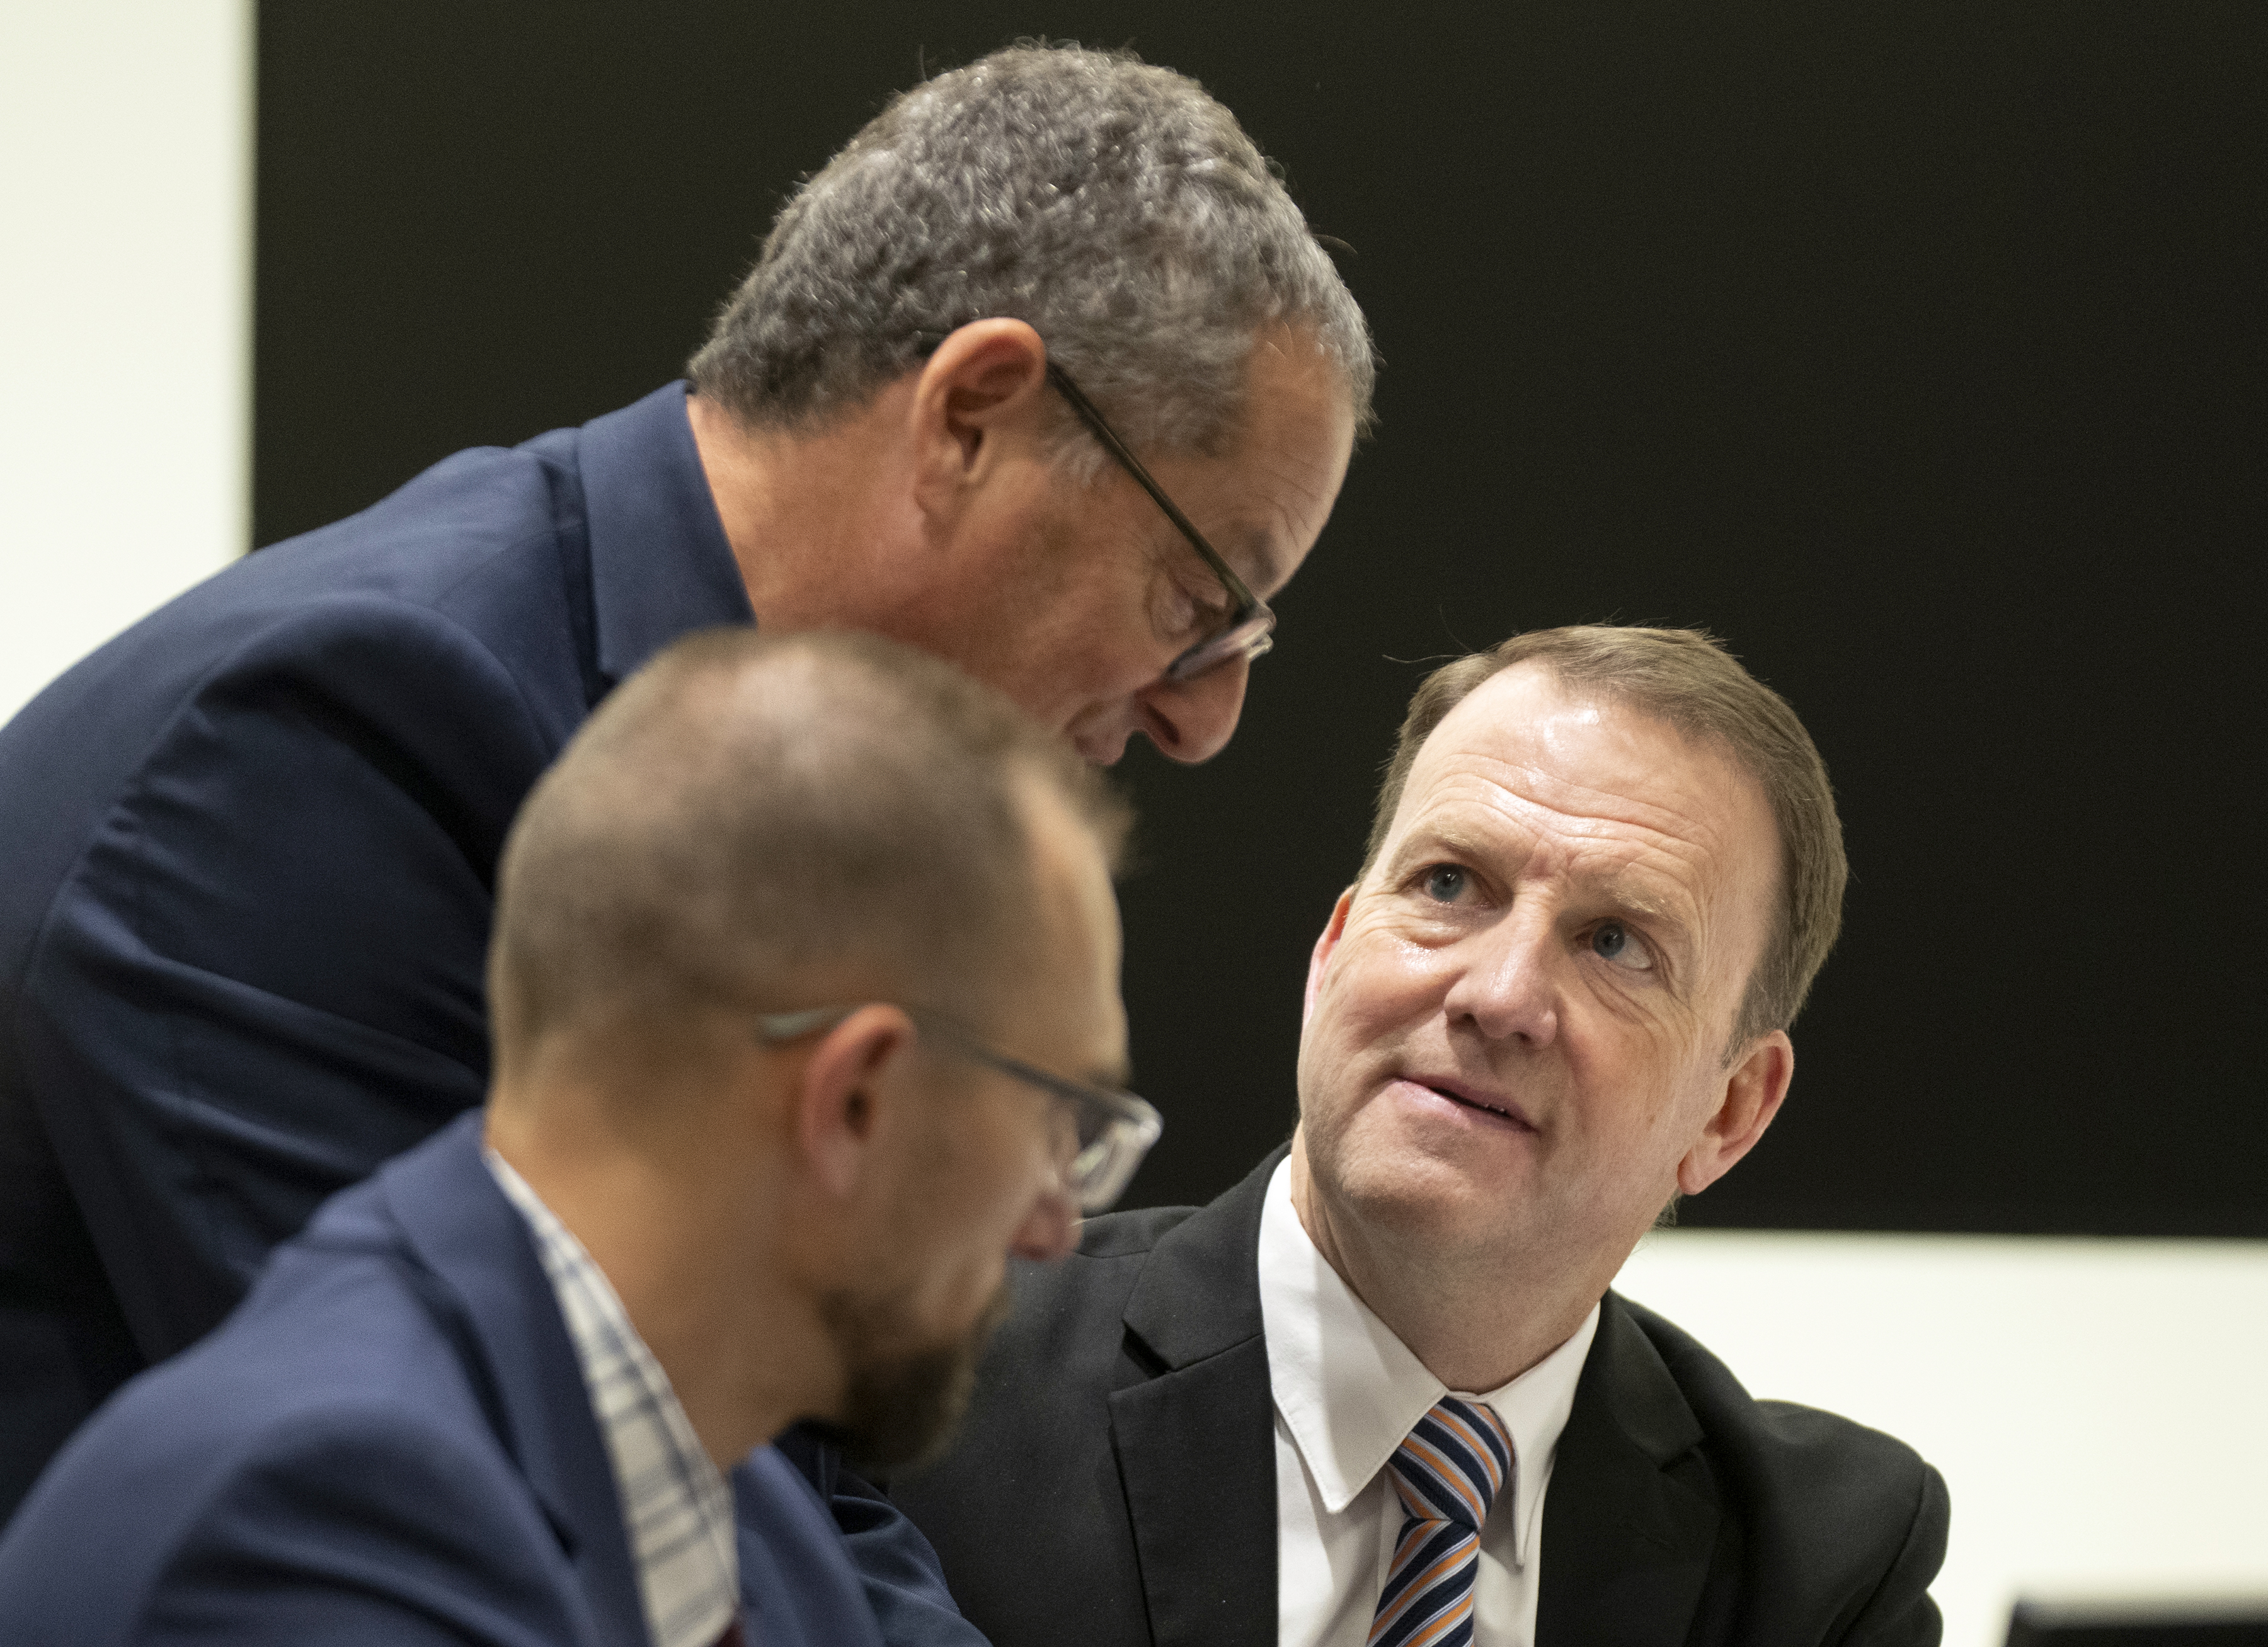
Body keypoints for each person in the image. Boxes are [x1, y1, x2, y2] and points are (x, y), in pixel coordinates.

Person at [0, 35, 1370, 1561]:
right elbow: (556, 1508)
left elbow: (775, 1482)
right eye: (1200, 599)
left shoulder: (751, 791)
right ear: (972, 415)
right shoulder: (340, 743)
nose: (1206, 719)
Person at [0, 627, 1152, 1645]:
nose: (1056, 1226)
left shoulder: (742, 1513)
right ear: (857, 1100)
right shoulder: (308, 1523)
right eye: (1061, 1121)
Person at [893, 625, 1952, 1647]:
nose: (1500, 996)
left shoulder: (1816, 1564)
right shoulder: (927, 1369)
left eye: (1616, 944)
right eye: (1449, 885)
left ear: (1731, 1112)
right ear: (1333, 954)